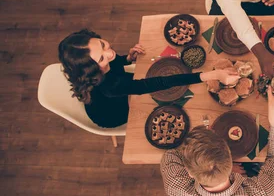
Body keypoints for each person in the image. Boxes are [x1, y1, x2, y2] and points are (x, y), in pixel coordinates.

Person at [160, 84, 274, 196]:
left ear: (189, 172)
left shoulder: (176, 191)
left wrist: (199, 152)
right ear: (230, 158)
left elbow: (170, 155)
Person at [58, 29, 239, 128]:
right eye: (102, 57)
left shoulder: (102, 65)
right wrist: (213, 75)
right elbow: (160, 83)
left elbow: (113, 64)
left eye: (103, 44)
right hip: (112, 113)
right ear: (92, 70)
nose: (109, 52)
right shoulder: (111, 86)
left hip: (116, 90)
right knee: (156, 103)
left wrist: (126, 59)